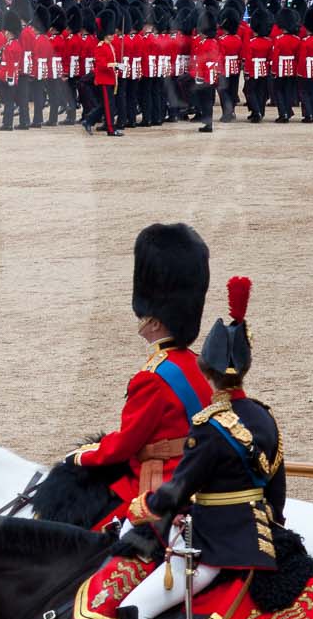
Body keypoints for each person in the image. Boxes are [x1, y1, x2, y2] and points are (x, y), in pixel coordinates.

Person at [99, 276, 283, 619]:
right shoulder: (263, 416)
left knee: (133, 609)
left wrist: (143, 508)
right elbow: (275, 491)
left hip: (218, 544)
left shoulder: (211, 426)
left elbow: (178, 491)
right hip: (260, 534)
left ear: (208, 372)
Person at [61, 223, 213, 521]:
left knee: (87, 525)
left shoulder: (152, 378)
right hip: (198, 468)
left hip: (164, 481)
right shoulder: (195, 363)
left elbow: (126, 445)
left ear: (155, 322)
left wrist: (82, 455)